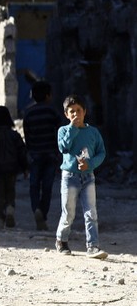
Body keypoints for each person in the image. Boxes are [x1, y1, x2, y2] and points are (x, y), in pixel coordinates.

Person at [55, 94, 107, 259]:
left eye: (78, 110)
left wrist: (90, 164)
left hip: (88, 177)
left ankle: (93, 246)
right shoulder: (63, 130)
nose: (76, 114)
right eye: (72, 111)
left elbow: (101, 152)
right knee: (68, 212)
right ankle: (62, 241)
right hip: (69, 178)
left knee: (91, 213)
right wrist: (72, 128)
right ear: (66, 114)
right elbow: (63, 148)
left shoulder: (93, 132)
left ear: (85, 111)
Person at [22, 81, 65, 230]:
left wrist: (29, 152)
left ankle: (36, 209)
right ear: (48, 96)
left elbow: (27, 135)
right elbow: (60, 132)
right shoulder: (53, 112)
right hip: (51, 154)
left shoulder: (28, 113)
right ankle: (42, 213)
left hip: (35, 154)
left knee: (34, 185)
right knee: (47, 186)